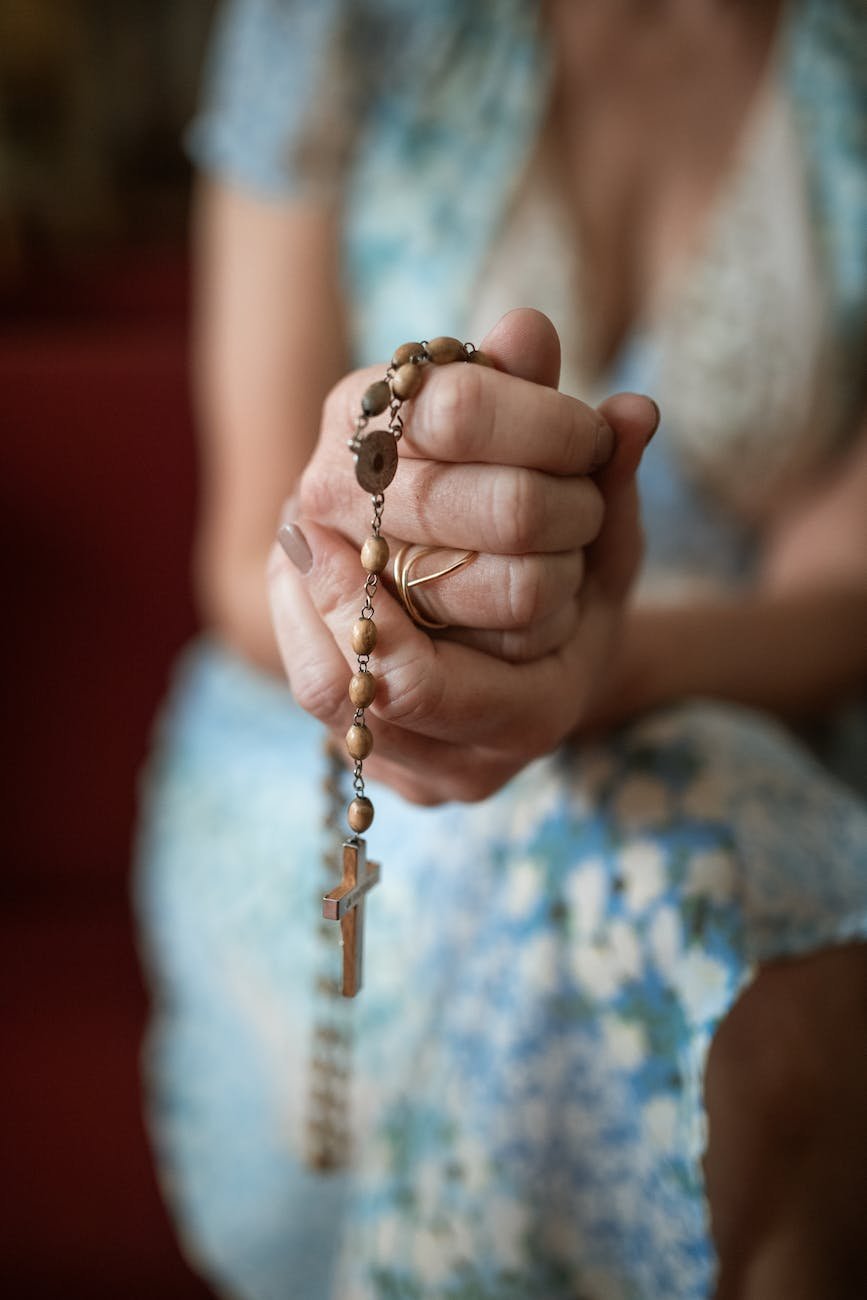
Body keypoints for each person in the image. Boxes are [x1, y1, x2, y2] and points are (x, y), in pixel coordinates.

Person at [135, 1, 867, 1296]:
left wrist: (613, 666)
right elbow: (247, 555)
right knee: (738, 978)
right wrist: (377, 605)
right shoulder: (335, 26)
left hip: (726, 690)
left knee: (742, 945)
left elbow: (840, 591)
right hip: (327, 741)